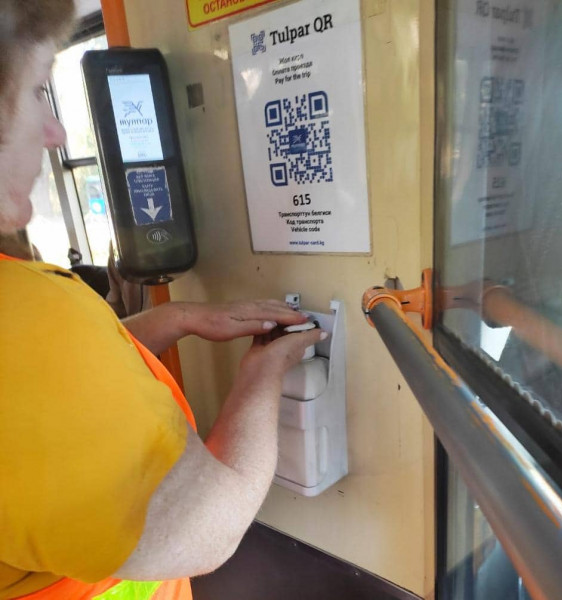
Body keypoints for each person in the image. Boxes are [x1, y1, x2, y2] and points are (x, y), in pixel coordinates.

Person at [0, 2, 325, 599]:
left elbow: (61, 382)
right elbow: (210, 528)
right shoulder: (17, 317)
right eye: (38, 90)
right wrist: (265, 370)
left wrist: (177, 317)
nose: (56, 134)